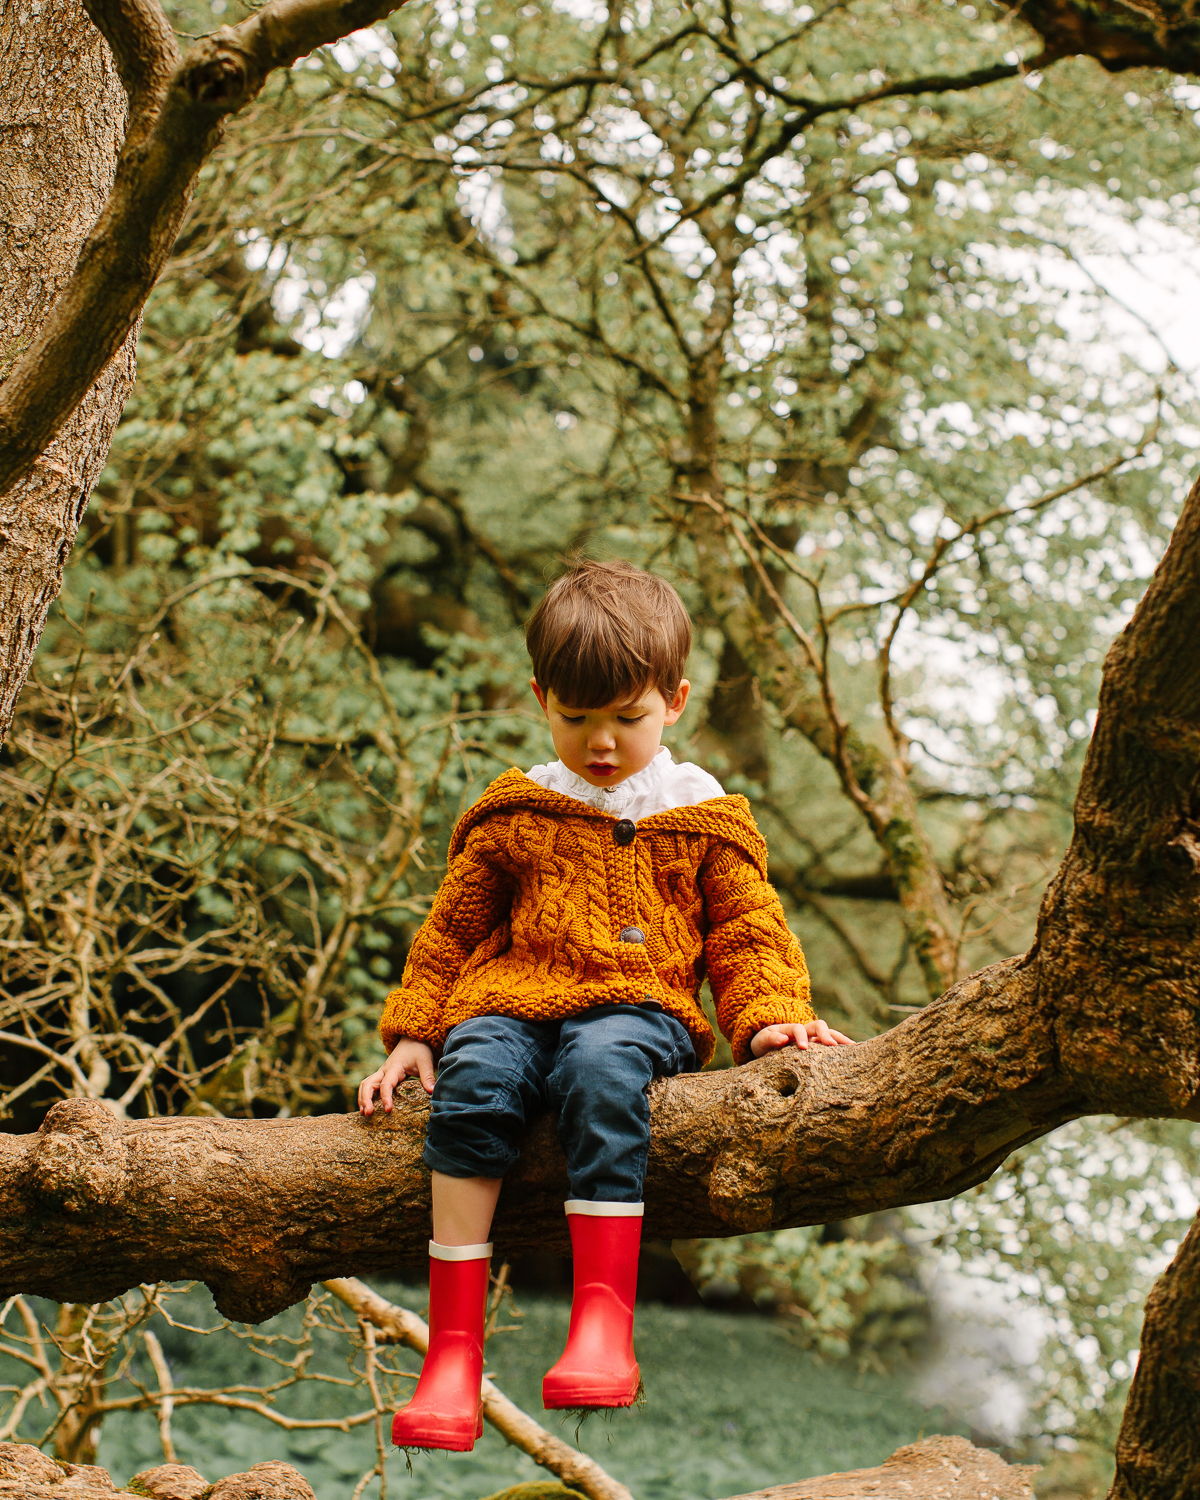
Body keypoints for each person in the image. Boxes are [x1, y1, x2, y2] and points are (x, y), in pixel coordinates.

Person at [358, 558, 853, 1452]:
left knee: (600, 1071)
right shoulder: (518, 812)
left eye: (627, 718)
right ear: (541, 696)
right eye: (575, 717)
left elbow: (747, 931)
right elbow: (450, 935)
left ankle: (601, 1325)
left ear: (674, 701)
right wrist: (412, 1035)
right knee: (473, 1086)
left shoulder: (702, 817)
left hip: (639, 1005)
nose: (600, 742)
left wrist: (770, 1015)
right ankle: (453, 1358)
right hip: (507, 1002)